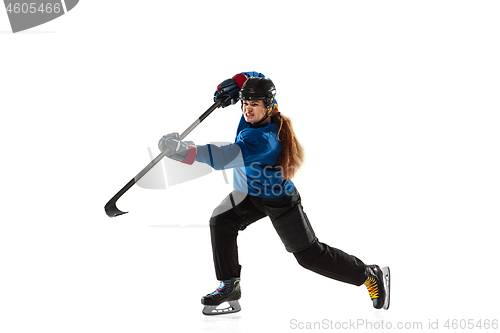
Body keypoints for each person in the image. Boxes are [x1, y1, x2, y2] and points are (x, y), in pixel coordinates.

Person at [158, 71, 390, 315]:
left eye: (254, 105)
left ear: (269, 106)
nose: (247, 110)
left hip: (278, 200)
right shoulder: (252, 119)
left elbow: (223, 157)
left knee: (308, 256)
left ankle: (369, 274)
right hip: (248, 193)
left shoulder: (266, 139)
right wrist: (236, 84)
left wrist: (183, 151)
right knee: (221, 220)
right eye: (245, 103)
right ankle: (229, 285)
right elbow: (257, 75)